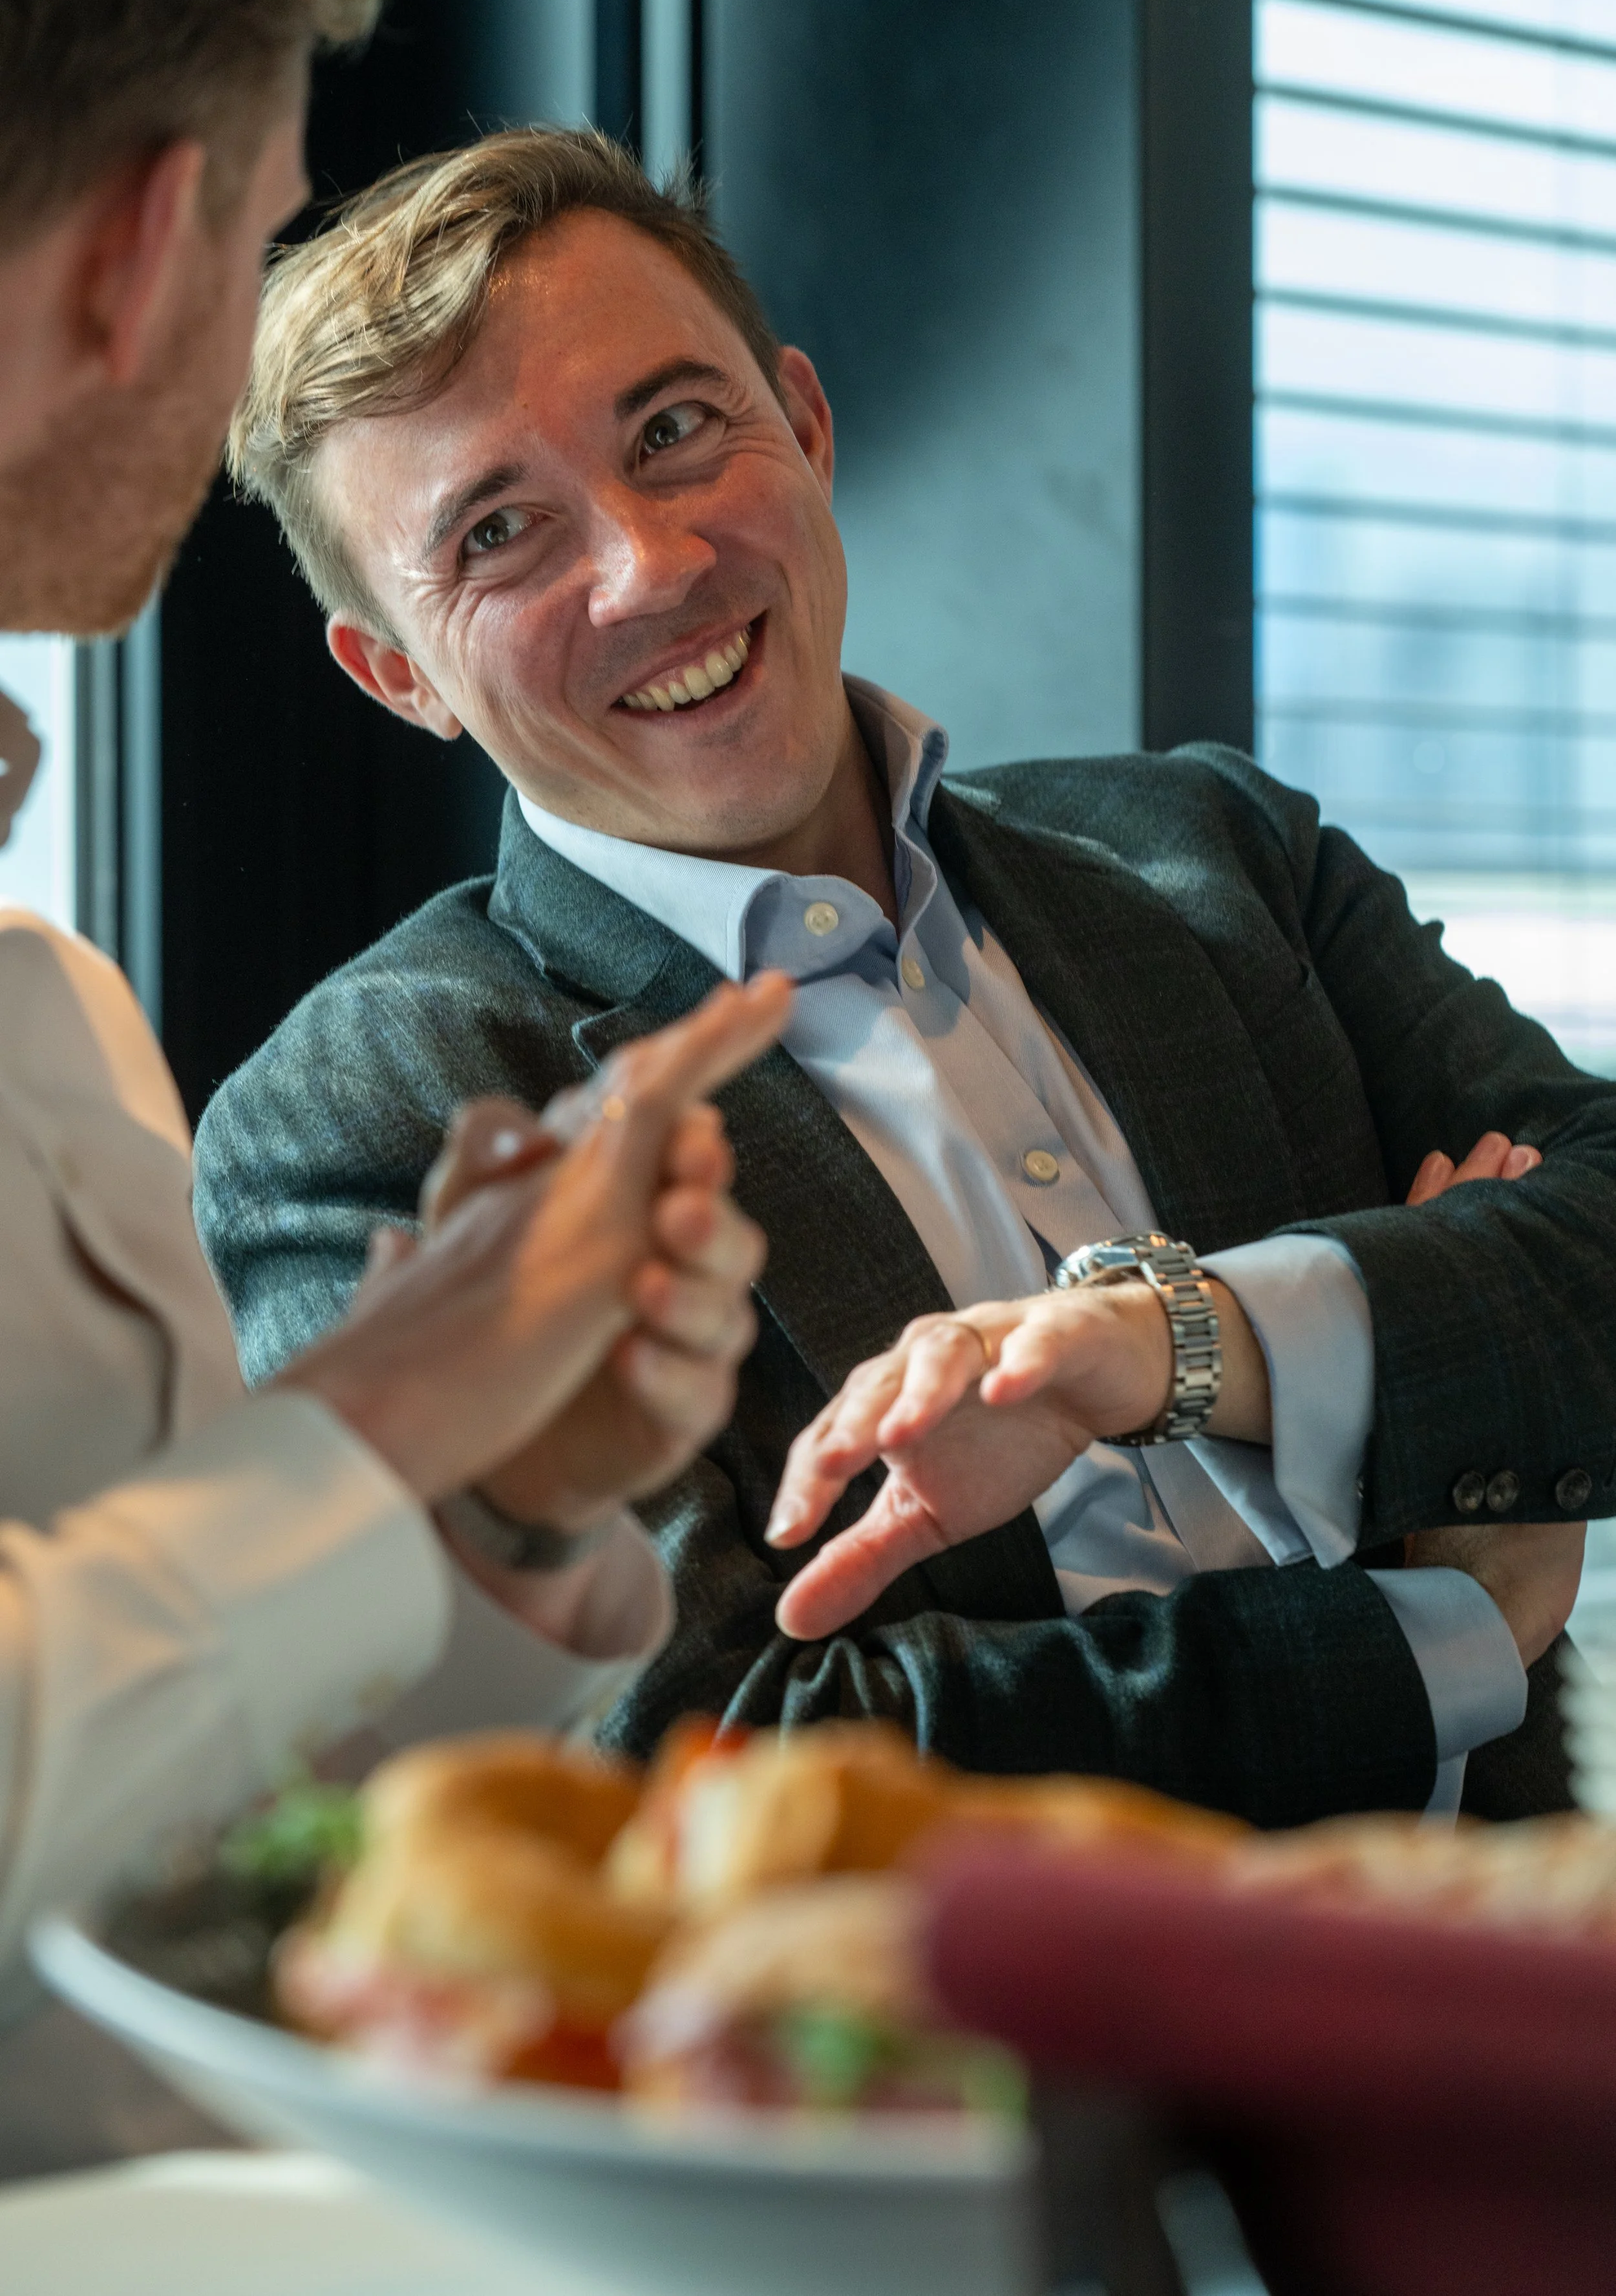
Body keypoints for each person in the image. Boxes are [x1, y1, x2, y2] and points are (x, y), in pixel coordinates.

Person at [197, 125, 1600, 1830]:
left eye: (675, 428)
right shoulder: (375, 1109)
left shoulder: (1217, 852)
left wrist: (1181, 1341)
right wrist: (1439, 1622)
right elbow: (680, 1760)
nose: (648, 565)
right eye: (498, 533)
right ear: (396, 674)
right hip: (927, 2077)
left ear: (804, 420)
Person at [0, 0, 791, 2175]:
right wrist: (384, 1404)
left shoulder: (62, 1009)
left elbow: (187, 1832)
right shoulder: (351, 1075)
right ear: (151, 249)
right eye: (262, 230)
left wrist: (511, 1516)